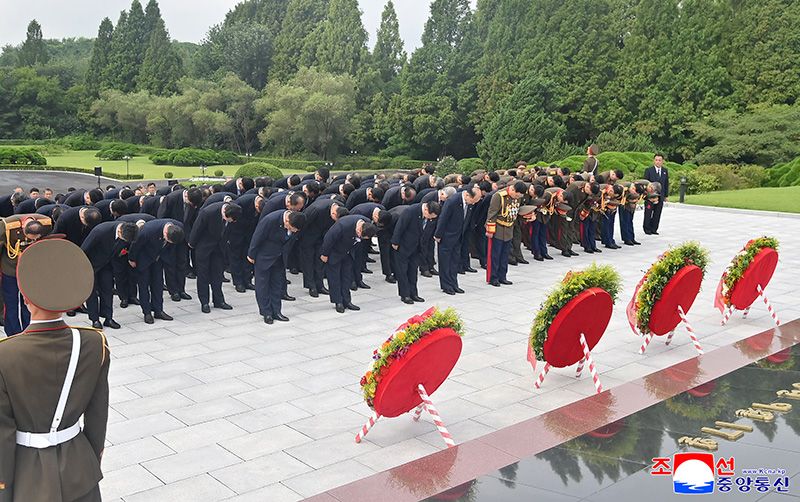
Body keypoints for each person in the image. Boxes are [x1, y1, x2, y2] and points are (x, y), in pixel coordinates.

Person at [0, 238, 109, 502]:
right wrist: (90, 459)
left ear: (25, 298)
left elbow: (3, 433)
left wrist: (3, 487)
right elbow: (97, 415)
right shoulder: (94, 343)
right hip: (79, 467)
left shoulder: (5, 354)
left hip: (27, 476)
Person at [248, 210, 305, 324]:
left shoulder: (297, 219)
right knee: (263, 286)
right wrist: (251, 255)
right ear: (287, 221)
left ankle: (276, 311)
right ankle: (266, 312)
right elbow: (257, 237)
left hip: (280, 257)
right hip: (264, 256)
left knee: (277, 285)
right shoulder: (270, 220)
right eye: (291, 228)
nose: (293, 231)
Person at [81, 221, 139, 329]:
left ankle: (108, 318)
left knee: (108, 290)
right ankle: (95, 319)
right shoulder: (100, 231)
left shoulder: (128, 232)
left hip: (107, 265)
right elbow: (84, 250)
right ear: (119, 231)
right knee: (91, 293)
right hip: (90, 265)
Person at [0, 215, 52, 336]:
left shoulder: (46, 224)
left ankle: (29, 330)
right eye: (30, 238)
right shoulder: (6, 226)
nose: (32, 241)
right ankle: (13, 333)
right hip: (11, 269)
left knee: (29, 302)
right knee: (11, 303)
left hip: (30, 270)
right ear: (24, 230)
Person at [128, 219, 184, 324]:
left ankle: (158, 310)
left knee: (158, 284)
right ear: (165, 232)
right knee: (144, 286)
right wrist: (132, 259)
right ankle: (147, 312)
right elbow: (135, 245)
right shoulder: (148, 230)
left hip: (158, 259)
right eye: (168, 240)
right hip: (144, 259)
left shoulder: (177, 227)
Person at [189, 201, 241, 313]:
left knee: (217, 274)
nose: (231, 222)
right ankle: (204, 302)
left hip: (219, 247)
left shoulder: (234, 211)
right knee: (203, 275)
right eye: (230, 220)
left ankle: (219, 300)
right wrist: (191, 244)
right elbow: (197, 228)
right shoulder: (208, 212)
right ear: (225, 214)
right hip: (204, 247)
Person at [321, 215, 377, 313]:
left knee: (347, 277)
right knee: (335, 278)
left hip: (348, 253)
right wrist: (325, 254)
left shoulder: (367, 223)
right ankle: (338, 301)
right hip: (335, 252)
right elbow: (329, 238)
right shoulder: (343, 225)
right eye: (360, 236)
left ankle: (347, 301)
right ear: (359, 229)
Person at [157, 187, 203, 301]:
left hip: (184, 236)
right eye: (191, 204)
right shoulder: (171, 198)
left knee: (182, 263)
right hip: (170, 235)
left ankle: (181, 289)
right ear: (186, 196)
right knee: (170, 264)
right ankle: (173, 291)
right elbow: (161, 217)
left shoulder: (195, 200)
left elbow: (194, 220)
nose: (192, 206)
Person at [391, 201, 441, 304]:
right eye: (430, 216)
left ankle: (414, 293)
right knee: (402, 272)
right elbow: (400, 227)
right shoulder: (410, 211)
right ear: (426, 210)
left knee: (413, 271)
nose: (430, 219)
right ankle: (405, 295)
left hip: (417, 247)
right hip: (404, 246)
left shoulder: (429, 216)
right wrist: (395, 242)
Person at [435, 186, 481, 295]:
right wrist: (438, 235)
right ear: (467, 195)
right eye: (473, 200)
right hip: (447, 236)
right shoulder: (452, 201)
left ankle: (454, 284)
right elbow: (443, 218)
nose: (473, 203)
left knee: (455, 261)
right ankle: (446, 286)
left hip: (459, 236)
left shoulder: (470, 204)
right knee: (445, 262)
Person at [485, 181, 525, 287]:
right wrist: (490, 230)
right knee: (496, 255)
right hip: (498, 228)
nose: (517, 198)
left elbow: (515, 212)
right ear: (512, 190)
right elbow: (492, 213)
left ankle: (502, 276)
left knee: (505, 254)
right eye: (516, 195)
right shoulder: (499, 196)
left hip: (509, 228)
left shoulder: (518, 197)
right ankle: (493, 277)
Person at [643, 153, 669, 235]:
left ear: (662, 161)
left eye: (659, 160)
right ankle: (647, 229)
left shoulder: (665, 171)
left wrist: (666, 195)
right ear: (654, 161)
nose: (658, 162)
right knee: (648, 213)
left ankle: (654, 228)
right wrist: (646, 195)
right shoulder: (648, 170)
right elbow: (645, 183)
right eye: (656, 160)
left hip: (660, 196)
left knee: (657, 213)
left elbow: (666, 183)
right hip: (650, 196)